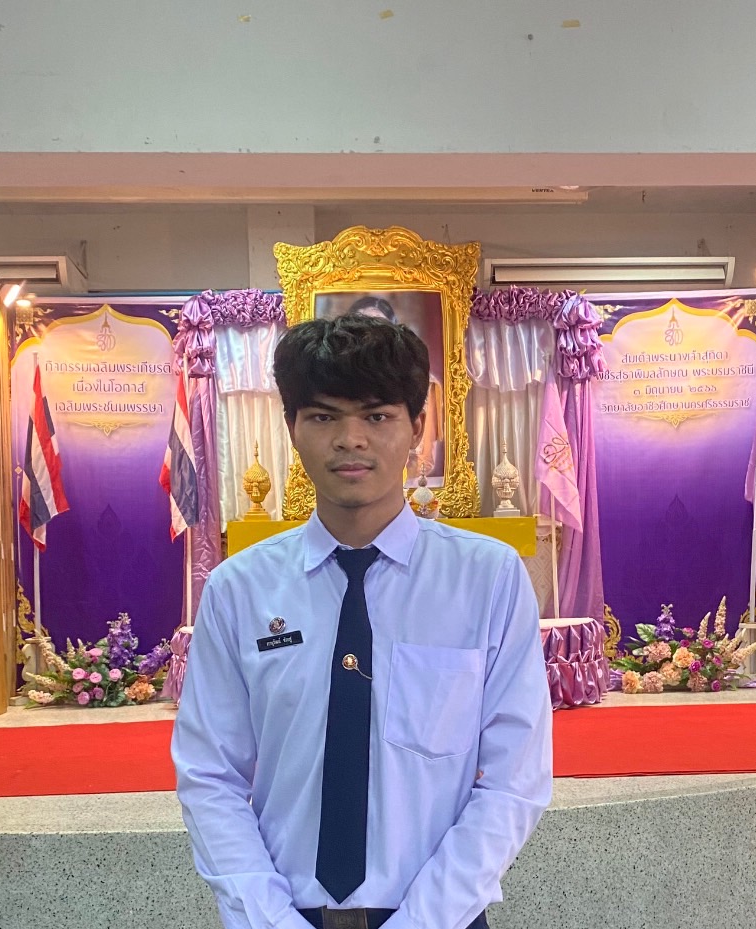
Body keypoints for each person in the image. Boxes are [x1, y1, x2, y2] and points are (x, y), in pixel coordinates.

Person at [172, 314, 552, 929]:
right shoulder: (238, 590)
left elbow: (514, 778)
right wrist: (270, 919)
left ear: (417, 427)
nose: (350, 439)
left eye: (376, 416)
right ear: (292, 428)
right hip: (281, 916)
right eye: (324, 417)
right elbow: (210, 775)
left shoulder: (486, 579)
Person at [346, 295, 444, 483]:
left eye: (378, 326)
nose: (368, 335)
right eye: (360, 326)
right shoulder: (329, 383)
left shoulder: (423, 385)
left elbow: (423, 458)